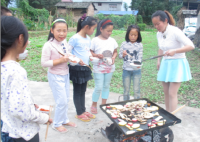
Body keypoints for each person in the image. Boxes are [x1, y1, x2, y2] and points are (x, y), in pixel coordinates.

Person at [1, 16, 52, 142]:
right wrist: (43, 118)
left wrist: (29, 103)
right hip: (23, 134)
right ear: (20, 38)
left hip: (8, 129)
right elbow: (20, 111)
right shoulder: (16, 71)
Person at [151, 10, 195, 112]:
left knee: (172, 93)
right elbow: (161, 47)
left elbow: (191, 46)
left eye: (158, 24)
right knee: (166, 92)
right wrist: (158, 60)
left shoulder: (175, 31)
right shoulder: (159, 34)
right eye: (154, 25)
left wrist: (175, 51)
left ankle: (173, 116)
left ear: (165, 21)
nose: (156, 26)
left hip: (177, 63)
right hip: (165, 63)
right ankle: (167, 114)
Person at [41, 18, 77, 133]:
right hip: (55, 76)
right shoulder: (48, 45)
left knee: (66, 99)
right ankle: (56, 123)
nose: (62, 33)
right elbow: (44, 63)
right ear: (52, 30)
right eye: (59, 30)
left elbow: (67, 55)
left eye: (64, 31)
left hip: (65, 74)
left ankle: (64, 119)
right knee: (61, 101)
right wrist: (61, 60)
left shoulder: (64, 42)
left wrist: (74, 59)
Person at [68, 14, 97, 122]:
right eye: (93, 28)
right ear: (86, 27)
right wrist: (75, 60)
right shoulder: (74, 38)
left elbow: (87, 52)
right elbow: (67, 53)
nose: (93, 31)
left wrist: (92, 58)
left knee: (83, 90)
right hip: (77, 69)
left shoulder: (88, 38)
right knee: (77, 91)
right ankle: (79, 112)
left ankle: (83, 110)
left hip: (85, 68)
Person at [90, 19, 118, 114]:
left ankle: (104, 104)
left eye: (111, 31)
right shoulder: (95, 40)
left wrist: (113, 57)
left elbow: (115, 52)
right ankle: (94, 105)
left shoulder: (112, 41)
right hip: (98, 68)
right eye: (108, 31)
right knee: (98, 87)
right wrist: (97, 55)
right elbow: (90, 52)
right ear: (101, 29)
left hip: (110, 68)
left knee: (106, 86)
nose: (110, 33)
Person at [119, 25, 143, 101]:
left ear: (138, 35)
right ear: (127, 34)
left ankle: (137, 105)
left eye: (135, 35)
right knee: (126, 90)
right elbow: (120, 56)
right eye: (131, 35)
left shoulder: (139, 45)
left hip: (136, 70)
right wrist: (122, 55)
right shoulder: (124, 44)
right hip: (126, 70)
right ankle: (126, 104)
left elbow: (140, 57)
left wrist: (137, 63)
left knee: (136, 89)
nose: (133, 37)